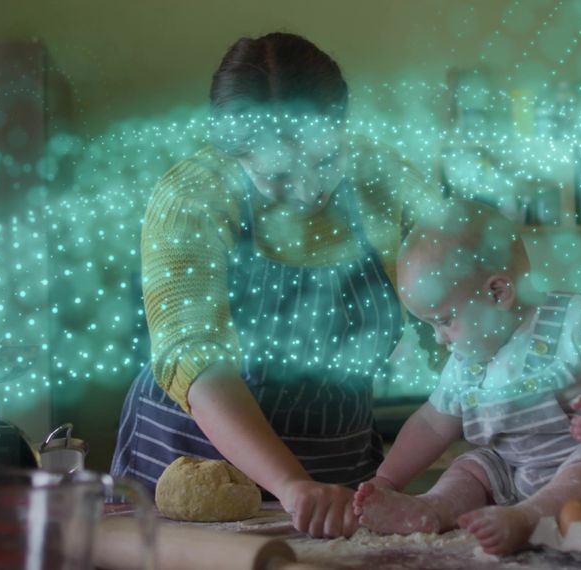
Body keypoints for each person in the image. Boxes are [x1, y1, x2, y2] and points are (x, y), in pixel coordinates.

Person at [110, 32, 439, 538]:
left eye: (326, 161)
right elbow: (197, 359)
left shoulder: (384, 182)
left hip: (339, 467)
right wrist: (290, 482)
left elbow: (452, 308)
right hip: (192, 459)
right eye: (279, 177)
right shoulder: (193, 196)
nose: (309, 191)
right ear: (236, 154)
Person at [352, 200, 581, 554]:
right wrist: (387, 480)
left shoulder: (576, 321)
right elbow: (432, 425)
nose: (438, 337)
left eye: (445, 320)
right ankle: (434, 508)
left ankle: (527, 520)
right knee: (474, 466)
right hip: (522, 472)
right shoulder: (466, 361)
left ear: (498, 293)